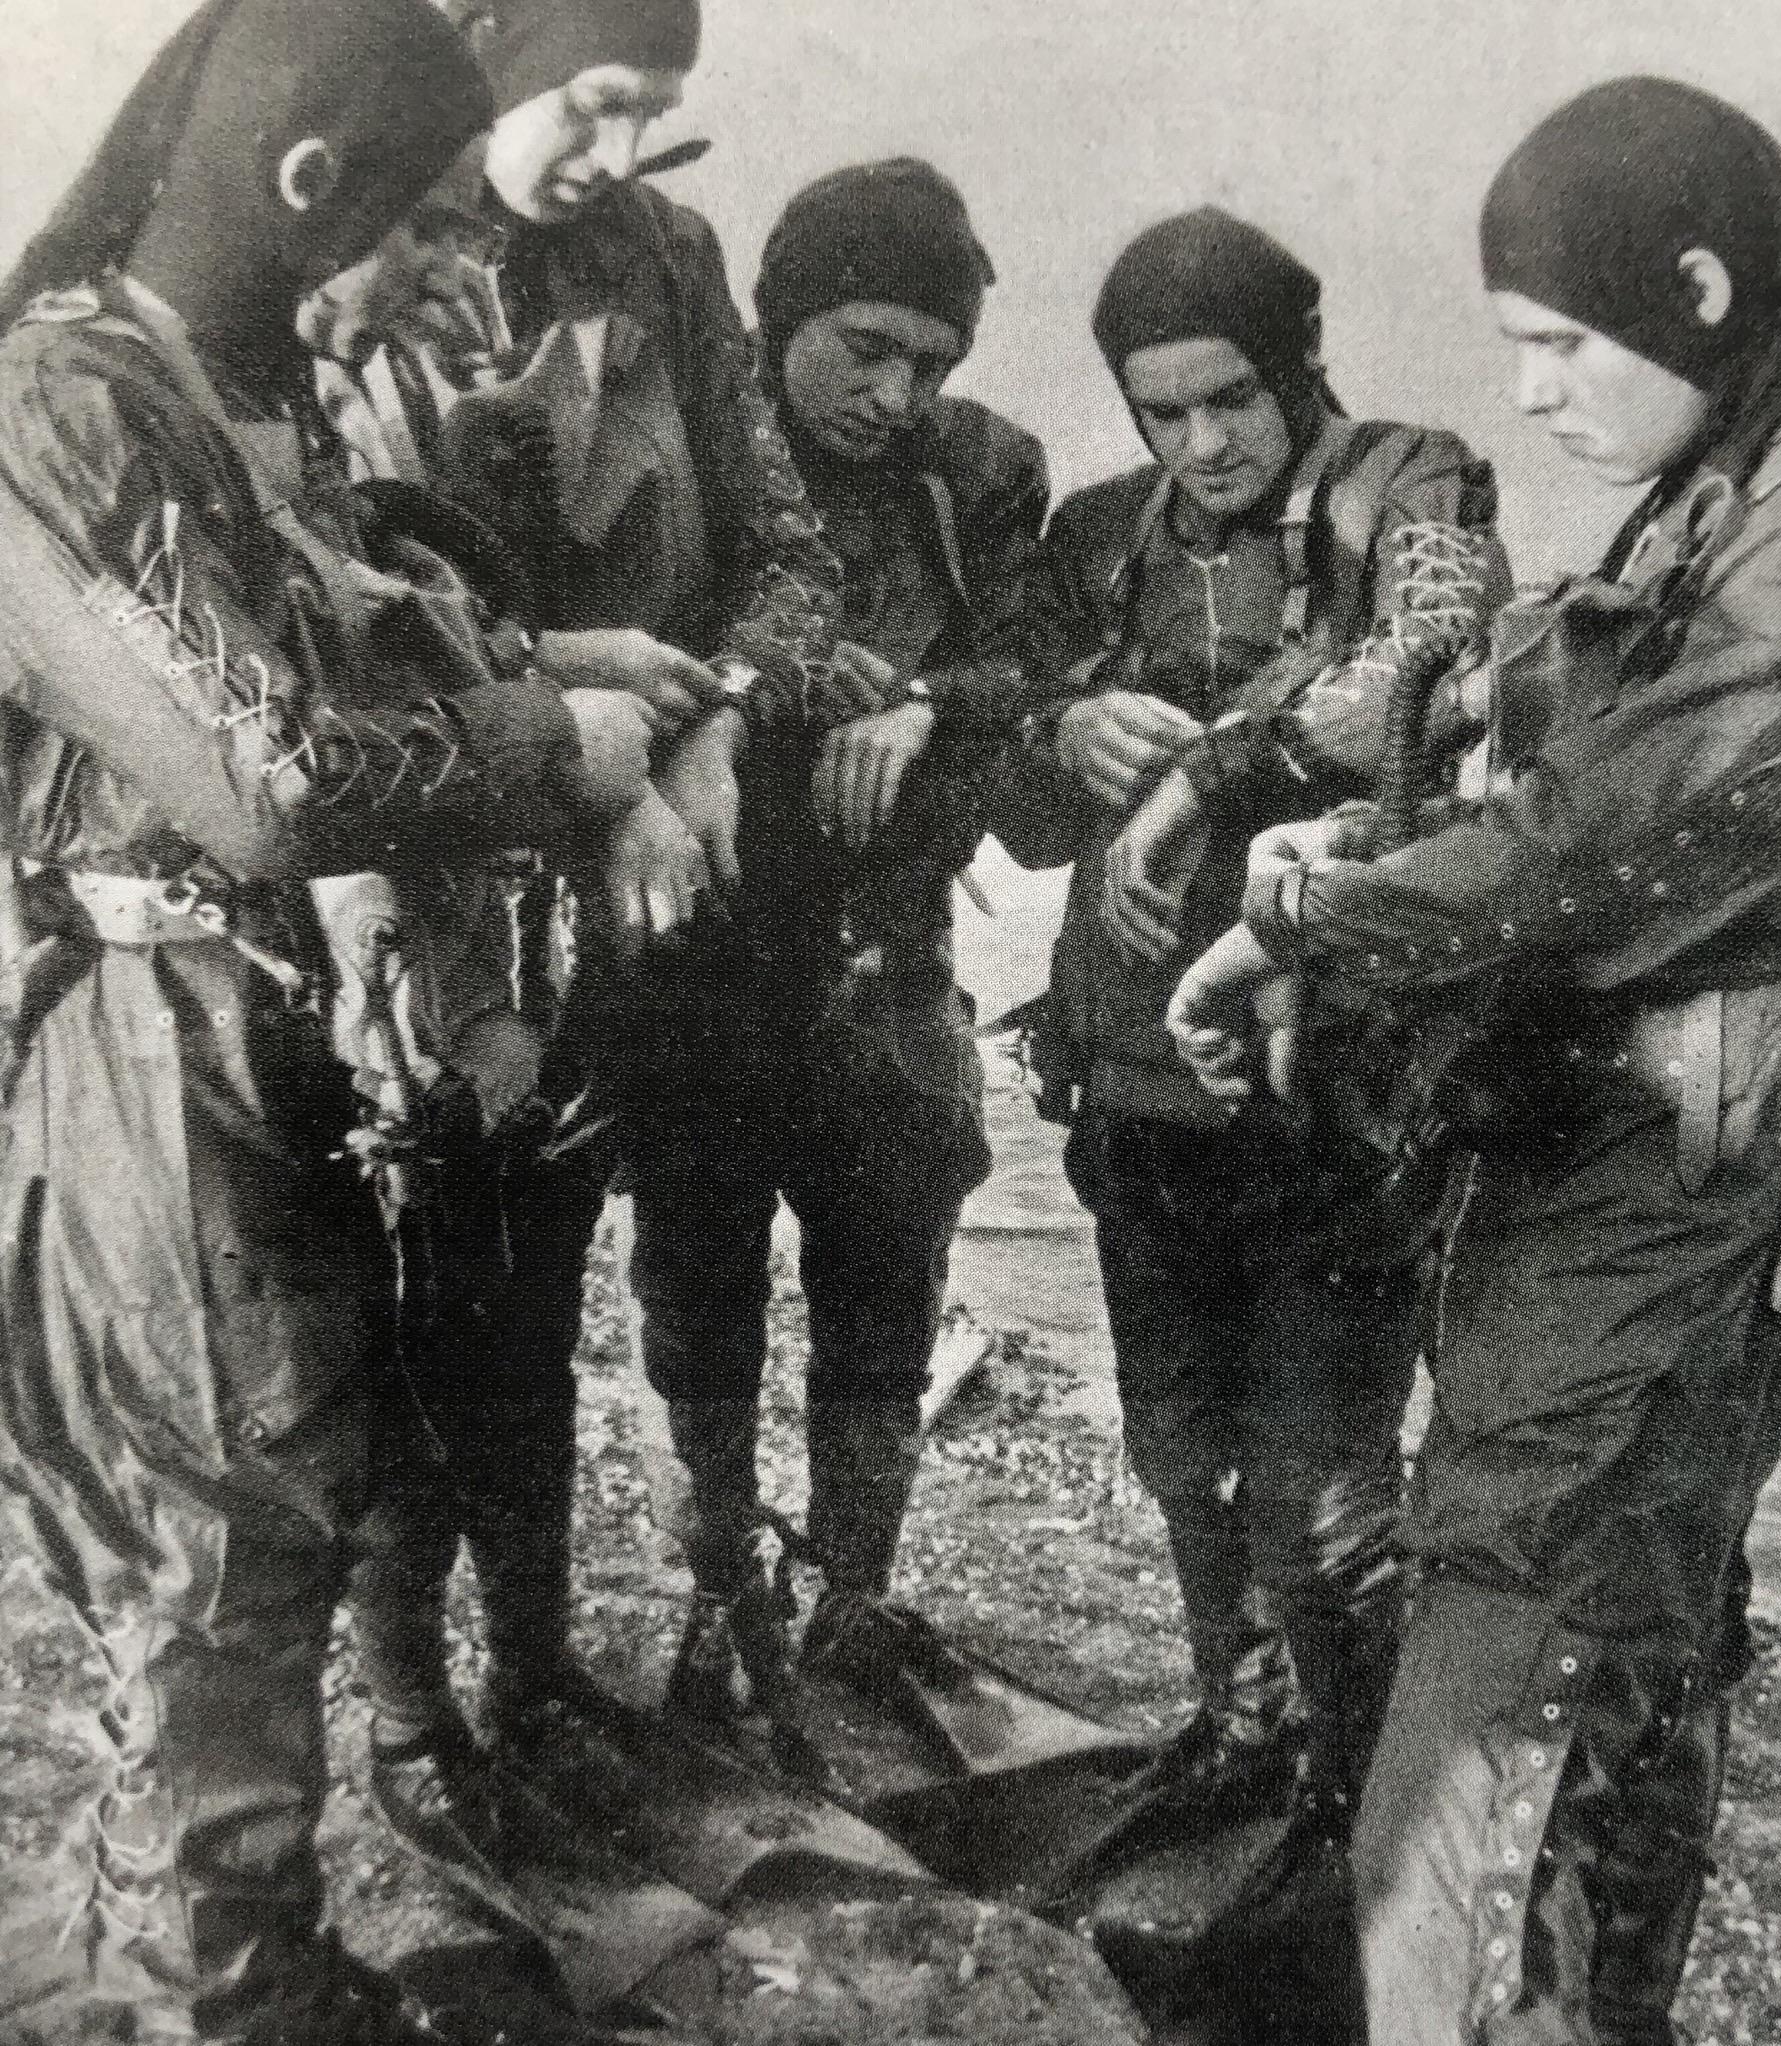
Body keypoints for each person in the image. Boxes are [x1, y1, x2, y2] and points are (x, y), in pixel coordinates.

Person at [1167, 77, 1781, 2046]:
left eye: (1565, 344)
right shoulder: (1736, 478)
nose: (1542, 394)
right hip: (1634, 1156)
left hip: (1663, 1169)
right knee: (1617, 1688)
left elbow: (1614, 835)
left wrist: (1305, 917)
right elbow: (1564, 720)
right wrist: (1368, 822)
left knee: (1496, 1748)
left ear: (1704, 290)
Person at [0, 2, 668, 2039]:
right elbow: (269, 772)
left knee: (260, 1548)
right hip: (156, 1046)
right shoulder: (60, 412)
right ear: (310, 194)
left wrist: (549, 654)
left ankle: (213, 1957)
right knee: (217, 1566)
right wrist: (572, 737)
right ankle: (221, 1993)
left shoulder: (224, 403)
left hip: (244, 1036)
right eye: (431, 222)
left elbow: (319, 668)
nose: (458, 269)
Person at [327, 0, 853, 1809]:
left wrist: (705, 741)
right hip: (411, 858)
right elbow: (320, 603)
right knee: (400, 1308)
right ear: (482, 40)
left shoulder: (664, 255)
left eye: (654, 116)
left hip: (640, 872)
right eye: (595, 102)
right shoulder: (347, 241)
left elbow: (792, 557)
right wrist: (595, 743)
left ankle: (538, 1676)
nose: (615, 158)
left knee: (535, 1288)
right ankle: (410, 1721)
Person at [995, 206, 1506, 1838]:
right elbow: (996, 782)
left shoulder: (1410, 483)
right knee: (1174, 1446)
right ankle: (1238, 1721)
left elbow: (1429, 671)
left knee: (1328, 1474)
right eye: (1163, 410)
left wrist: (1199, 777)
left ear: (1294, 368)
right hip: (1134, 1074)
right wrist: (1062, 731)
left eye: (1232, 398)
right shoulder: (1094, 538)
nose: (1202, 440)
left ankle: (1348, 1799)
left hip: (1334, 1078)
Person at [629, 157, 1045, 1711]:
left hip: (889, 953)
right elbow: (657, 671)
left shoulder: (982, 478)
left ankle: (850, 1600)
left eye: (930, 359)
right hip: (709, 951)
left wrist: (936, 701)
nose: (896, 389)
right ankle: (717, 1592)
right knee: (697, 1287)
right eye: (862, 346)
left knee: (884, 1287)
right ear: (779, 315)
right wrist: (816, 686)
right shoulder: (695, 452)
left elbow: (1042, 686)